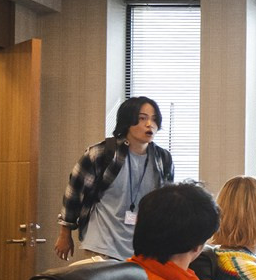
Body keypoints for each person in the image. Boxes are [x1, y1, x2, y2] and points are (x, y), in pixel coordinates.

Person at [55, 96, 174, 261]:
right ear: (127, 121)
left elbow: (166, 204)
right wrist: (65, 234)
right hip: (102, 246)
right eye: (142, 118)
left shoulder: (163, 159)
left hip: (144, 249)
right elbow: (74, 192)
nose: (149, 125)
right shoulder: (101, 153)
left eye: (154, 119)